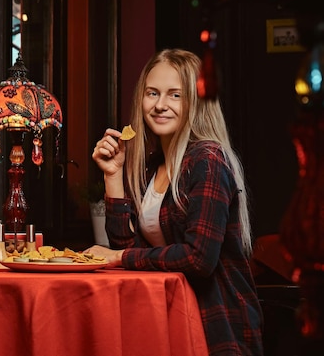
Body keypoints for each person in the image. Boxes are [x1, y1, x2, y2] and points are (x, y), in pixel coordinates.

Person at [85, 49, 263, 355]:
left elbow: (198, 259)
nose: (160, 105)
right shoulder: (154, 167)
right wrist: (113, 177)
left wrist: (115, 258)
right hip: (167, 319)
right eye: (152, 93)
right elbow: (129, 249)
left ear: (196, 102)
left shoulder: (208, 160)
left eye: (175, 95)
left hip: (216, 326)